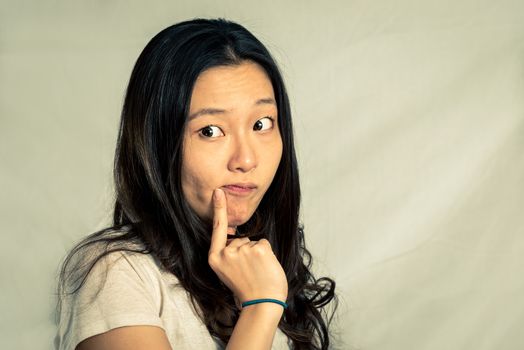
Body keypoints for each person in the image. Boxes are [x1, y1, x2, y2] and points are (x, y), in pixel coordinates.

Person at [54, 18, 338, 350]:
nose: (246, 160)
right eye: (210, 131)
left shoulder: (263, 266)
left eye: (262, 124)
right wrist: (261, 309)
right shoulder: (114, 271)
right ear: (158, 145)